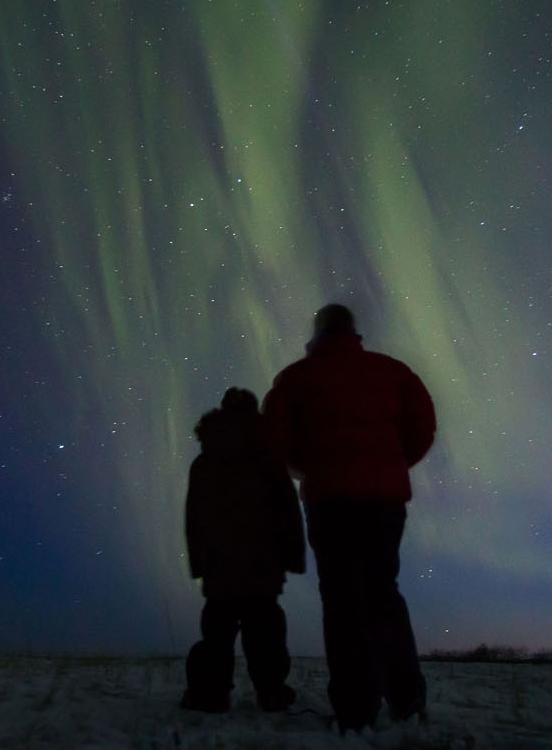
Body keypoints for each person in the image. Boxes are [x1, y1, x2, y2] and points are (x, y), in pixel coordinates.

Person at [262, 303, 436, 732]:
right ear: (352, 332)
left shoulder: (296, 378)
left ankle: (356, 709)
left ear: (317, 334)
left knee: (342, 600)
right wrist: (390, 465)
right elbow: (422, 428)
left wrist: (307, 469)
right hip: (385, 501)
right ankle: (406, 697)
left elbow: (275, 441)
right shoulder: (393, 372)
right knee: (383, 594)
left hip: (331, 499)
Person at [182, 387, 306, 713]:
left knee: (218, 632)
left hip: (219, 565)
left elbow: (194, 518)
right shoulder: (269, 459)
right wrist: (293, 556)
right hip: (263, 564)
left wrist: (200, 563)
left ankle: (210, 695)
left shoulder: (204, 462)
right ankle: (271, 692)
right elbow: (288, 511)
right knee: (265, 631)